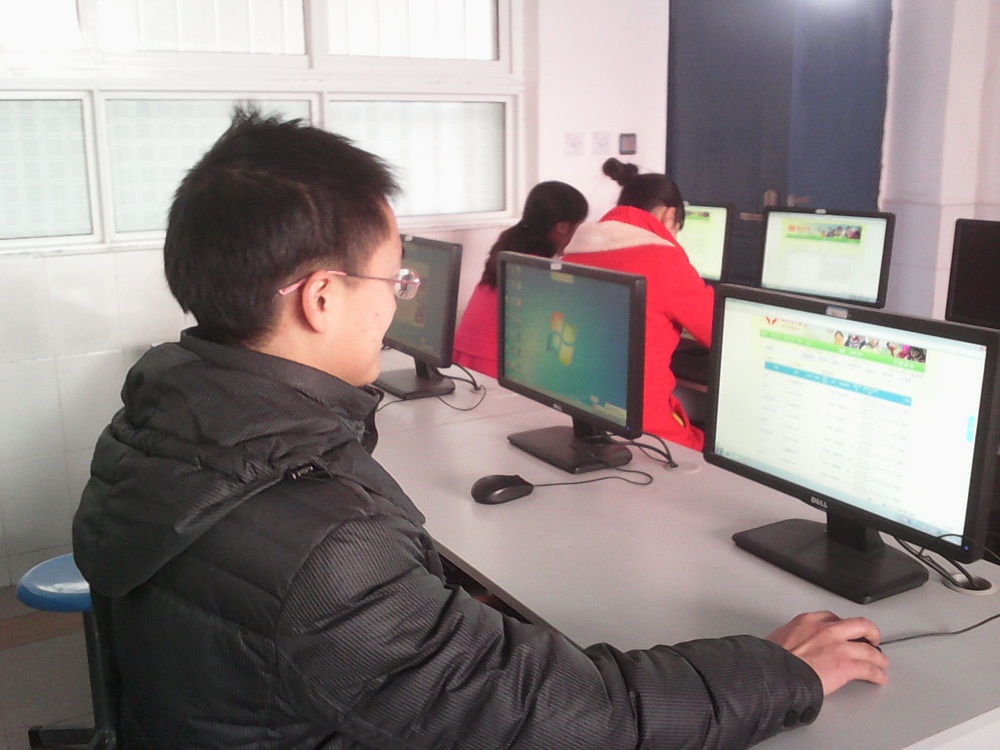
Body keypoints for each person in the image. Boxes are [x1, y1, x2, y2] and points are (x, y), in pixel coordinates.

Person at [72, 109, 888, 749]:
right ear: (321, 299)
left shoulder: (154, 423)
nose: (398, 299)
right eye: (394, 279)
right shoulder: (325, 544)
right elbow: (570, 719)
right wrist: (779, 672)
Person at [562, 158, 713, 450]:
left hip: (585, 413)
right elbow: (722, 333)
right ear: (669, 215)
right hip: (646, 429)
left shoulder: (574, 252)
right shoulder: (664, 260)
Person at [452, 180, 588, 377]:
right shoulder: (538, 268)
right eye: (579, 226)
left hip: (464, 361)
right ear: (562, 227)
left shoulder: (509, 248)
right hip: (496, 370)